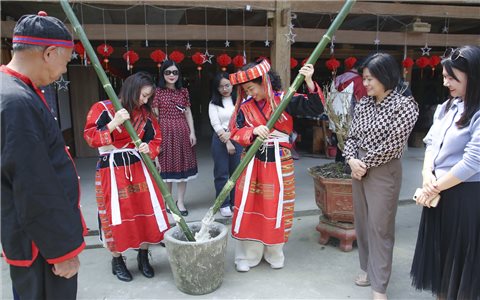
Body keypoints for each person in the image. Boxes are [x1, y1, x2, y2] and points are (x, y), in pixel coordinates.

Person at [1, 11, 87, 299]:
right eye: (64, 62)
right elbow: (33, 185)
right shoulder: (16, 102)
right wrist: (61, 251)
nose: (63, 71)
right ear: (49, 53)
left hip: (32, 233)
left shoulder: (15, 90)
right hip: (41, 244)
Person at [228, 59, 325, 272]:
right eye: (245, 90)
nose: (249, 93)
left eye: (251, 88)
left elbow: (315, 107)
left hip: (279, 161)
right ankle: (248, 254)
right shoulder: (244, 108)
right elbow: (234, 131)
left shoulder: (284, 100)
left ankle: (274, 252)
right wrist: (252, 132)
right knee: (250, 205)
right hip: (252, 162)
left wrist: (308, 81)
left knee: (277, 206)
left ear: (265, 82)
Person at [343, 52, 419, 300]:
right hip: (358, 168)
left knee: (381, 227)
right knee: (363, 223)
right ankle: (366, 268)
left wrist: (363, 163)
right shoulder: (364, 103)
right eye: (364, 79)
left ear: (386, 76)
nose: (365, 84)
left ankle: (380, 285)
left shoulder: (405, 105)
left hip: (384, 169)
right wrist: (352, 159)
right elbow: (352, 136)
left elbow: (394, 145)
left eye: (369, 79)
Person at [84, 71, 170, 282]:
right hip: (111, 169)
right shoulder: (102, 108)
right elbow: (91, 137)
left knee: (144, 210)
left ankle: (143, 256)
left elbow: (156, 139)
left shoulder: (146, 114)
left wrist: (147, 148)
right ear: (132, 89)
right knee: (115, 214)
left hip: (139, 167)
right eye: (143, 95)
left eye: (149, 97)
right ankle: (117, 260)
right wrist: (114, 122)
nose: (145, 100)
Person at [410, 45, 480, 299]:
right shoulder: (446, 107)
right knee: (440, 263)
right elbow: (431, 144)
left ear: (473, 76)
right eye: (445, 76)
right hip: (438, 193)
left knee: (460, 265)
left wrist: (434, 186)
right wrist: (427, 175)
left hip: (465, 196)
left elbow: (473, 162)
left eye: (452, 77)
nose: (445, 82)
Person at [152, 60, 198, 216]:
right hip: (165, 132)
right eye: (168, 72)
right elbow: (155, 116)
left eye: (175, 72)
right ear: (162, 74)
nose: (171, 75)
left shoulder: (183, 91)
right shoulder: (157, 92)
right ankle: (169, 202)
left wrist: (192, 132)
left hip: (182, 132)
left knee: (183, 169)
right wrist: (156, 137)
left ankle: (181, 202)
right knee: (167, 169)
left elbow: (188, 113)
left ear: (179, 74)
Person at [208, 72, 242, 217]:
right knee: (221, 173)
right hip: (220, 139)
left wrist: (233, 136)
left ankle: (235, 201)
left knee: (237, 173)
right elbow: (215, 124)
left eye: (227, 85)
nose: (225, 89)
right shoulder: (213, 103)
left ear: (232, 84)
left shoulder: (240, 100)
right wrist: (227, 141)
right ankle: (224, 203)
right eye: (221, 86)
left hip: (238, 137)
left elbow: (242, 121)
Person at [332, 57, 368, 162]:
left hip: (336, 116)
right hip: (351, 118)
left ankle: (338, 164)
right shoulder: (359, 81)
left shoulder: (339, 78)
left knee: (340, 143)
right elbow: (362, 101)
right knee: (351, 146)